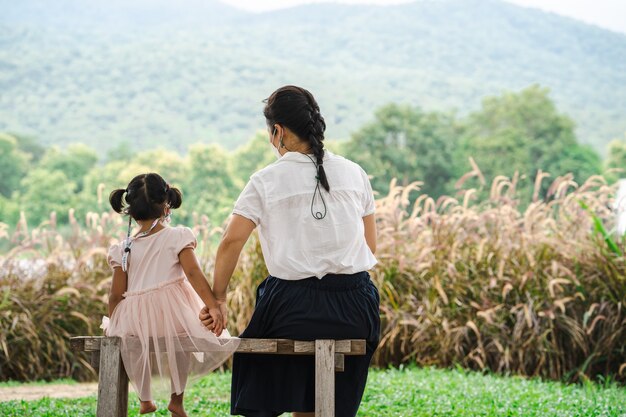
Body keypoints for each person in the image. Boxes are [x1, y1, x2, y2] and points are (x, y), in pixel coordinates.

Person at [200, 85, 381, 417]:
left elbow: (230, 242)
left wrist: (219, 298)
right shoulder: (355, 172)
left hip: (293, 308)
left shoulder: (266, 180)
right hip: (357, 308)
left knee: (253, 357)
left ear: (277, 131)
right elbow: (370, 247)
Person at [104, 173, 239, 417]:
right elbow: (193, 274)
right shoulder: (177, 237)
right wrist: (213, 305)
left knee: (133, 345)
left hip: (135, 316)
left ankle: (145, 399)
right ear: (167, 205)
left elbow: (116, 294)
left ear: (130, 212)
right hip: (171, 311)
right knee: (180, 344)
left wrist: (115, 321)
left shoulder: (123, 248)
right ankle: (177, 400)